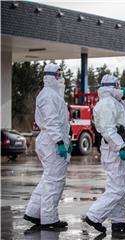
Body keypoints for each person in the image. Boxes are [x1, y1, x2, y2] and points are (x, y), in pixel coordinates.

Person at [84, 74, 125, 233]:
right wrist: (119, 147)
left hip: (120, 145)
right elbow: (108, 130)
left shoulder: (115, 102)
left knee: (123, 186)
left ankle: (119, 220)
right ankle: (94, 215)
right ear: (113, 86)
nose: (120, 89)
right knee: (117, 188)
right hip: (114, 148)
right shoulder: (106, 104)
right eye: (118, 86)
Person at [24, 63, 71, 228]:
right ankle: (49, 218)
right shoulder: (48, 95)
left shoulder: (51, 94)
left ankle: (33, 212)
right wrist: (59, 142)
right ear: (51, 76)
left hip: (51, 140)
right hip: (51, 142)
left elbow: (60, 122)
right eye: (58, 74)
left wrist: (67, 140)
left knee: (48, 178)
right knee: (55, 181)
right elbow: (52, 122)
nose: (61, 77)